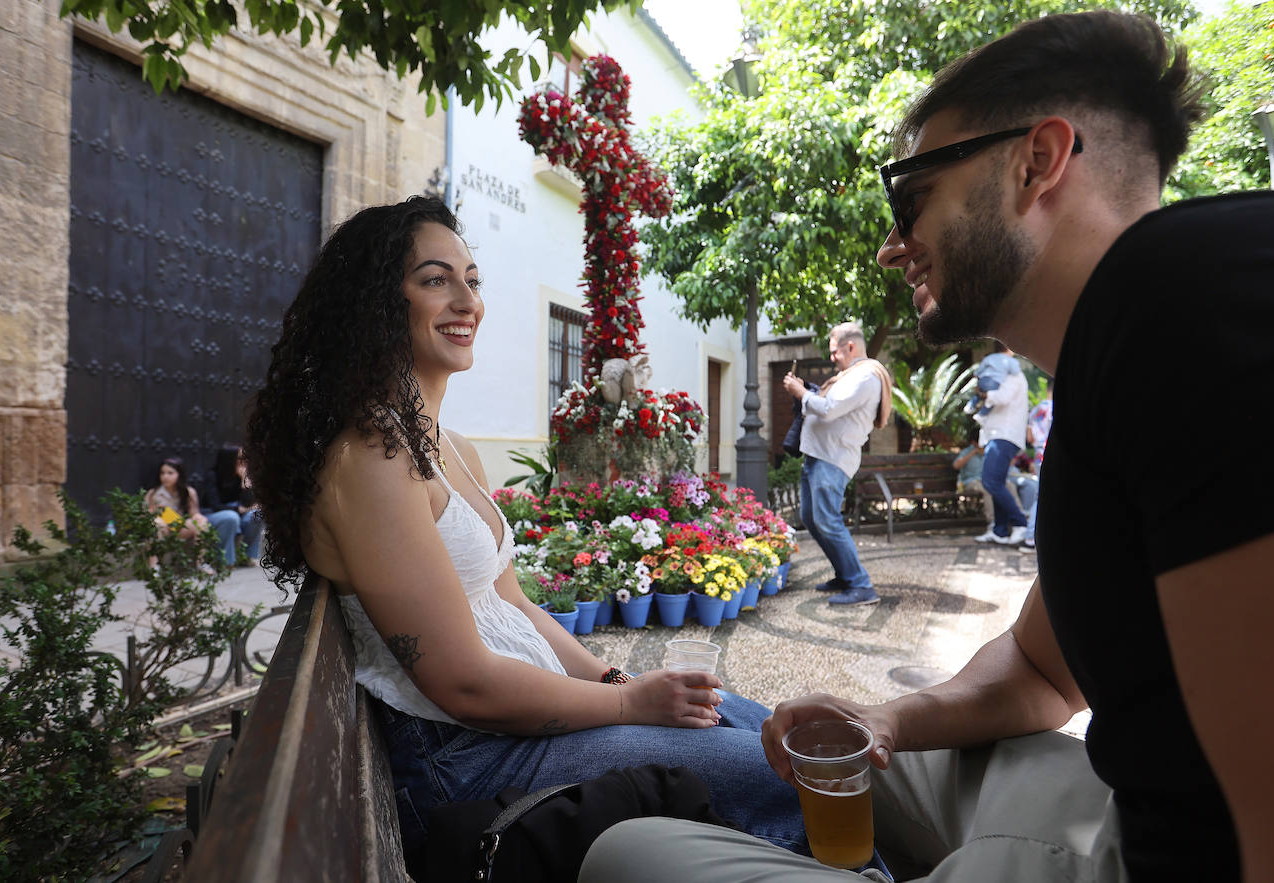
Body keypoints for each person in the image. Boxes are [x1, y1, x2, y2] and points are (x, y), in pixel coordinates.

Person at [581, 11, 1274, 883]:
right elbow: (1042, 674)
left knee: (629, 855)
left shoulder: (1186, 297)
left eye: (911, 194)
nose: (893, 245)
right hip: (1124, 804)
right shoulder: (1119, 350)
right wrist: (885, 719)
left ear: (1035, 162)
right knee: (839, 749)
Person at [243, 197, 808, 867]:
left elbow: (511, 603)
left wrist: (606, 675)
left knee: (782, 735)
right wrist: (629, 701)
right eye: (434, 279)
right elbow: (465, 684)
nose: (466, 300)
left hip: (517, 729)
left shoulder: (449, 445)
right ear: (375, 302)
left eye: (472, 279)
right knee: (788, 777)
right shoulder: (369, 459)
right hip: (470, 759)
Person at [782, 322, 892, 607]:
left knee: (827, 521)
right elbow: (830, 402)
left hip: (833, 458)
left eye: (834, 351)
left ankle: (861, 585)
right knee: (812, 518)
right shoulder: (852, 375)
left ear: (851, 346)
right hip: (819, 454)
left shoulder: (866, 376)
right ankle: (844, 575)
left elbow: (829, 410)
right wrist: (809, 391)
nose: (831, 358)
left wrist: (799, 392)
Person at [971, 349, 1030, 544]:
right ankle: (1000, 530)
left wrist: (984, 392)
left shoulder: (1014, 375)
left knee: (990, 482)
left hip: (1004, 436)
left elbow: (1002, 398)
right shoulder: (1004, 375)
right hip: (996, 436)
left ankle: (1021, 523)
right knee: (997, 482)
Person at [202, 445, 263, 566]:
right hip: (213, 513)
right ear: (229, 460)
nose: (244, 462)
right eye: (240, 458)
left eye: (246, 458)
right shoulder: (212, 476)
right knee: (231, 517)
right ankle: (225, 561)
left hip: (236, 513)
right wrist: (238, 509)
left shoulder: (240, 476)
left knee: (257, 515)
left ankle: (247, 556)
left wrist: (244, 482)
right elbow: (215, 505)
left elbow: (248, 504)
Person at [143, 456, 208, 541]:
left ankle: (202, 553)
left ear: (179, 474)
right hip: (161, 527)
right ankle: (156, 553)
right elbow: (145, 514)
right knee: (157, 523)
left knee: (201, 523)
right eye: (162, 473)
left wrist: (198, 517)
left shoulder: (188, 492)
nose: (165, 477)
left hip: (179, 527)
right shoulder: (153, 493)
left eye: (170, 473)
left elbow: (194, 512)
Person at [1022, 387, 1054, 550]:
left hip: (1038, 456)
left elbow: (1029, 437)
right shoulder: (1057, 407)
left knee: (1039, 496)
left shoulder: (1036, 410)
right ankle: (1031, 537)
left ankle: (1031, 536)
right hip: (1053, 455)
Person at [961, 350, 1020, 418]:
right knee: (992, 399)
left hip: (983, 380)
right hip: (994, 384)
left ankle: (970, 405)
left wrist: (976, 376)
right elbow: (1016, 372)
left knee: (979, 393)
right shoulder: (1011, 360)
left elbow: (980, 370)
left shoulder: (990, 357)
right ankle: (982, 414)